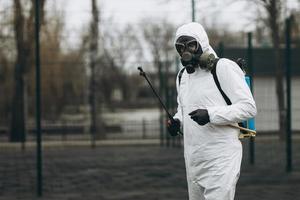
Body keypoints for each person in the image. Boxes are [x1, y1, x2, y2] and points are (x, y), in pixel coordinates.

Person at [167, 22, 257, 200]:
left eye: (191, 44)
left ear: (202, 43)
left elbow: (249, 108)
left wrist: (211, 115)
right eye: (180, 47)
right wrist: (178, 122)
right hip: (193, 160)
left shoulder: (223, 68)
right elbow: (183, 108)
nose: (186, 51)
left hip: (221, 157)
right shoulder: (183, 76)